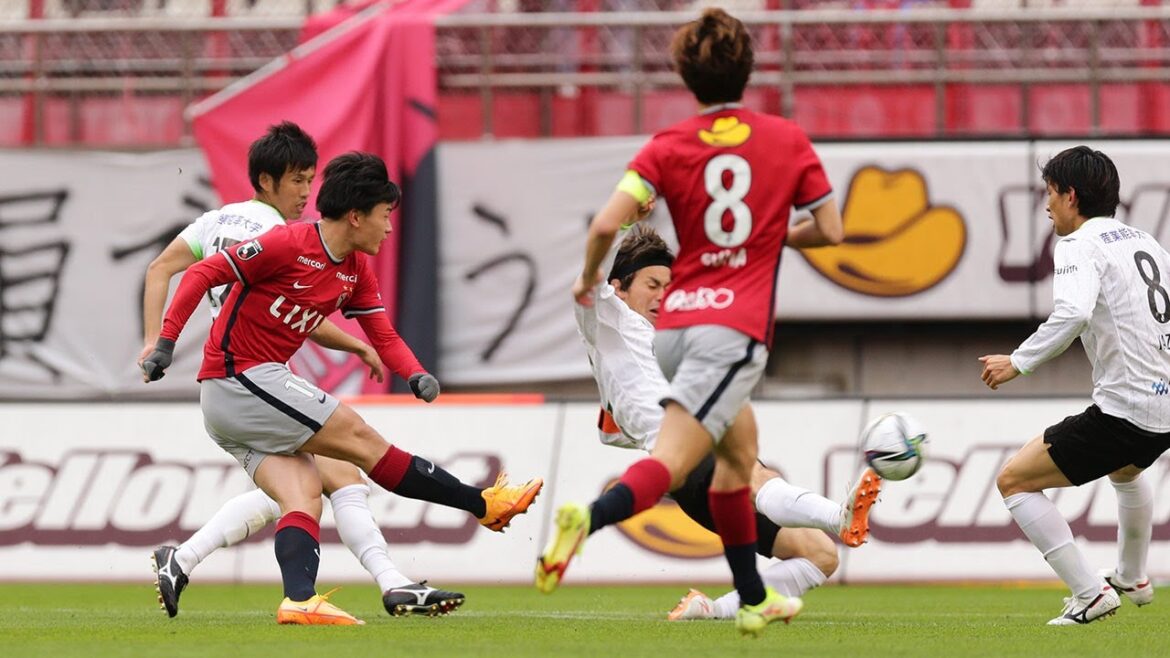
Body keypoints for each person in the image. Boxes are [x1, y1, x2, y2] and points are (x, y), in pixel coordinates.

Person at [535, 8, 852, 638]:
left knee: (743, 461)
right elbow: (834, 230)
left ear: (684, 75)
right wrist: (771, 238)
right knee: (704, 463)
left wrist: (585, 274)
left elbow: (605, 224)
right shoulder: (785, 140)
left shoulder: (664, 147)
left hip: (680, 335)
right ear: (751, 68)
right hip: (731, 329)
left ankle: (752, 598)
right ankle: (589, 518)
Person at [141, 151, 543, 626]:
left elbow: (384, 335)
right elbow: (206, 272)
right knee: (362, 442)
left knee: (304, 492)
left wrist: (414, 373)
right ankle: (483, 504)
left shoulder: (354, 269)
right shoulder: (285, 244)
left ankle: (298, 599)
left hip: (239, 396)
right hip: (241, 377)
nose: (389, 228)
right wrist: (165, 342)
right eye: (385, 215)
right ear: (356, 216)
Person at [572, 225, 881, 621]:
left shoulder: (667, 339)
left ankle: (710, 610)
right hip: (690, 453)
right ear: (619, 287)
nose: (662, 295)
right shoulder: (607, 320)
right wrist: (626, 220)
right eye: (652, 283)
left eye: (669, 285)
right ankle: (839, 515)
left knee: (820, 556)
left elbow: (611, 430)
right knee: (756, 478)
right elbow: (590, 270)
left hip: (694, 466)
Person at [981, 145, 1170, 626]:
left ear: (1069, 195)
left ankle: (1090, 593)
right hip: (1164, 407)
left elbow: (1073, 312)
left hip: (1128, 409)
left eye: (1048, 193)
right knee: (1126, 470)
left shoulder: (1079, 244)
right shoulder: (1145, 241)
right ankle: (1132, 575)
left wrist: (1017, 362)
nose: (1046, 206)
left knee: (1013, 481)